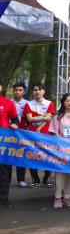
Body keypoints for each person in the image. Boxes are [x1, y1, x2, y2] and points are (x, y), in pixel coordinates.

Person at [23, 82, 55, 187]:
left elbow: (49, 119)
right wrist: (44, 118)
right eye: (35, 90)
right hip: (32, 135)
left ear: (44, 91)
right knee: (32, 156)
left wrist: (39, 128)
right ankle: (35, 180)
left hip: (46, 134)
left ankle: (47, 179)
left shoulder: (49, 103)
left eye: (39, 90)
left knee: (48, 156)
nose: (37, 92)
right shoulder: (28, 104)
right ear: (32, 92)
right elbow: (30, 119)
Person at [0, 78, 20, 207]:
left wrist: (15, 125)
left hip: (3, 145)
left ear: (1, 87)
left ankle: (3, 199)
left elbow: (15, 120)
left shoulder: (8, 103)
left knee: (3, 174)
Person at [10, 82, 28, 187]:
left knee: (21, 155)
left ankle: (21, 179)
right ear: (13, 91)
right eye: (16, 90)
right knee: (8, 155)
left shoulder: (27, 104)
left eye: (20, 90)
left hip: (22, 133)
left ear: (24, 92)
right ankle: (6, 179)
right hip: (9, 133)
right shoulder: (8, 102)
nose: (17, 92)